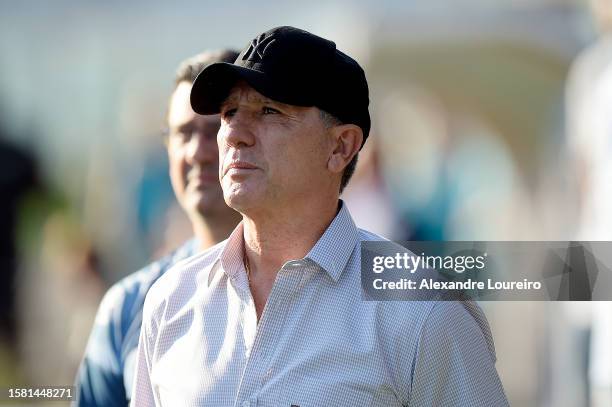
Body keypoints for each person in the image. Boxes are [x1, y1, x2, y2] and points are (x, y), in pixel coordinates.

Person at [131, 26, 508, 406]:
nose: (233, 134)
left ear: (340, 147)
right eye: (230, 112)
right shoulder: (171, 301)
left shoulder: (423, 314)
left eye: (268, 110)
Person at [75, 49, 242, 406]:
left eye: (216, 130)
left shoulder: (319, 286)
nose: (198, 152)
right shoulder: (127, 309)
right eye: (183, 133)